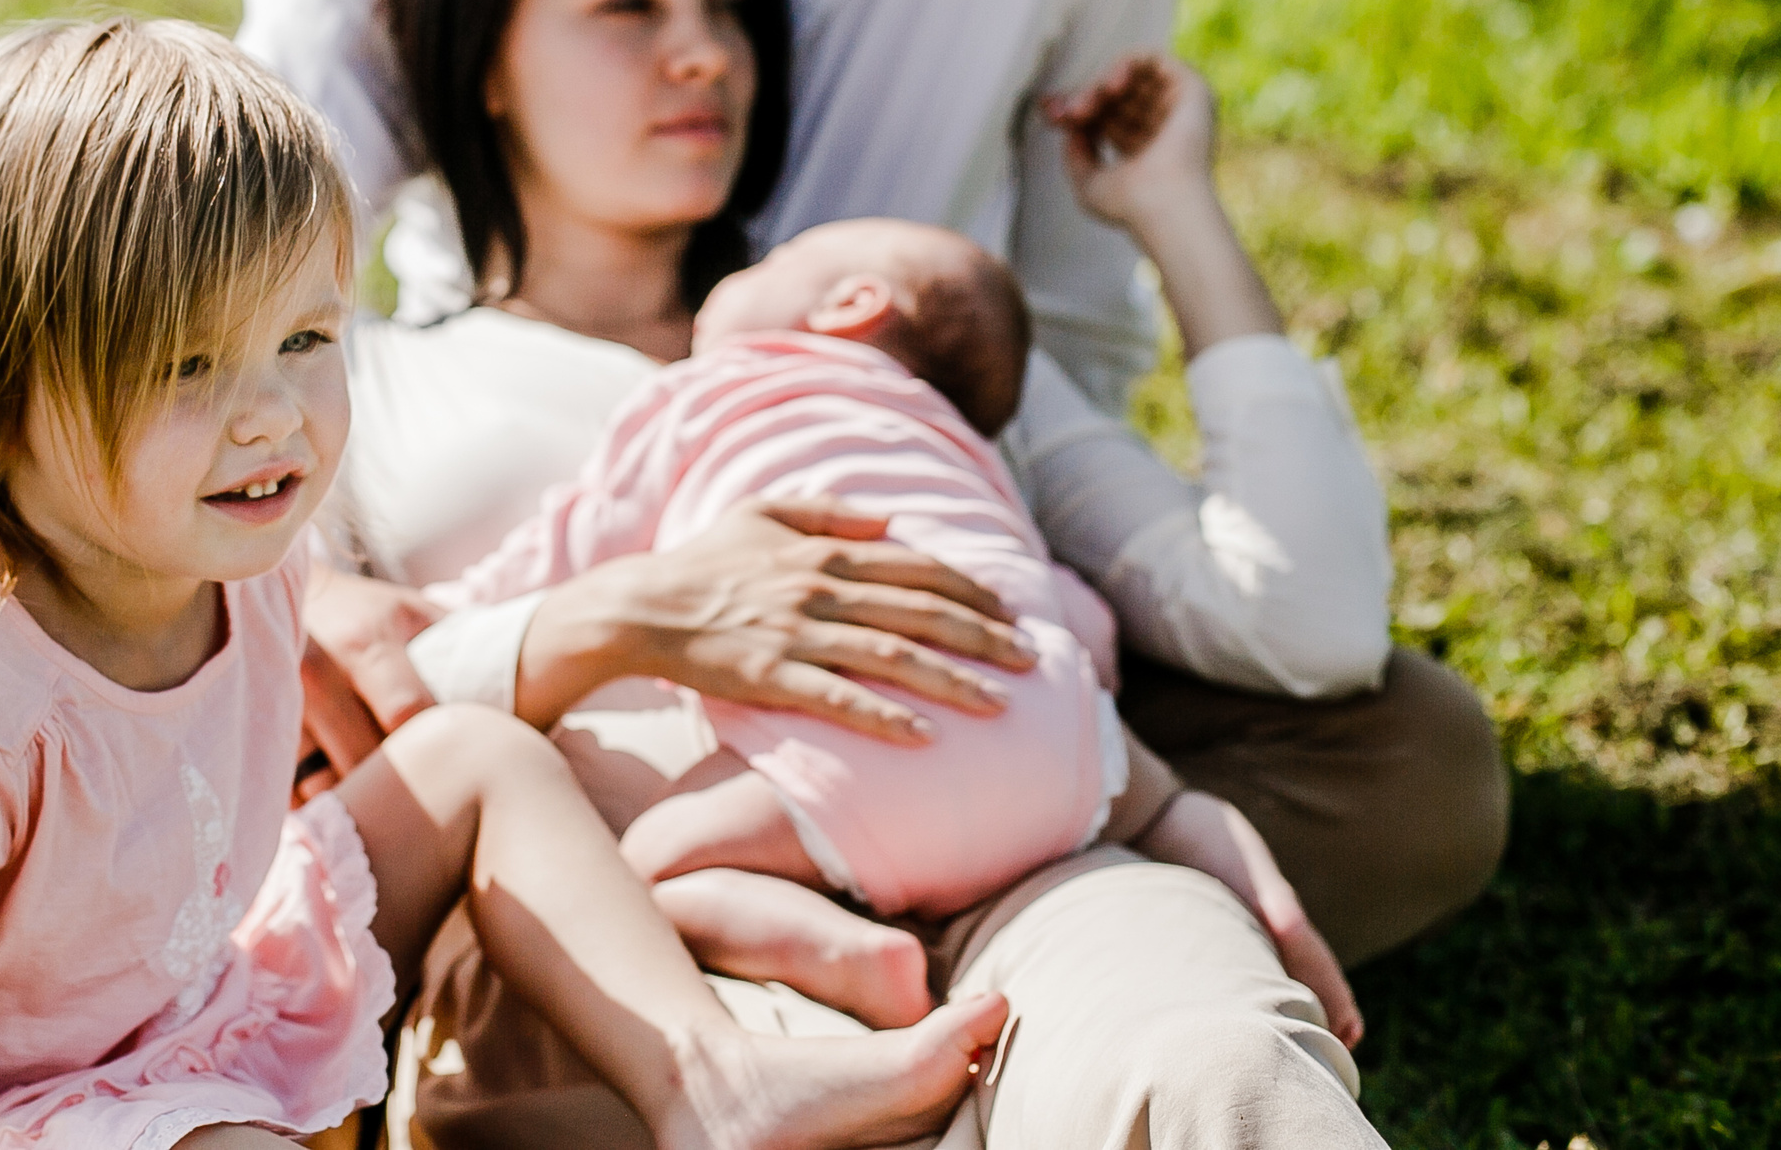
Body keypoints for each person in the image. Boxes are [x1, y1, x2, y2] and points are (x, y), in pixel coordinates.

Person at [245, 0, 1504, 975]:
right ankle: (918, 930)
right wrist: (328, 599)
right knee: (293, 723)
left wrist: (975, 570)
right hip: (542, 624)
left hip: (927, 518)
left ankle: (890, 897)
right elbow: (208, 308)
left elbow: (1076, 312)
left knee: (1414, 760)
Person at [0, 18, 1012, 1150]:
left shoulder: (249, 557)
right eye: (187, 366)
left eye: (304, 339)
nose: (273, 420)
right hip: (38, 1121)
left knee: (476, 758)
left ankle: (708, 1079)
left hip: (200, 1008)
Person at [327, 0, 1393, 1146]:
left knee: (1214, 1058)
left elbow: (1301, 614)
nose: (705, 53)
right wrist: (630, 612)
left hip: (1024, 856)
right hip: (631, 941)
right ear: (483, 57)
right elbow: (290, 742)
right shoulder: (364, 384)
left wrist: (1177, 204)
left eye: (724, 3)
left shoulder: (898, 337)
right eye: (629, 3)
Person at [438, 207, 1365, 1047]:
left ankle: (845, 952)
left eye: (785, 255)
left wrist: (454, 612)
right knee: (1168, 806)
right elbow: (1065, 604)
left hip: (856, 747)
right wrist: (1086, 691)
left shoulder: (708, 391)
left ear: (851, 302)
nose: (760, 259)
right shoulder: (965, 453)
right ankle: (1274, 912)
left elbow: (571, 544)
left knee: (633, 873)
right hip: (1052, 739)